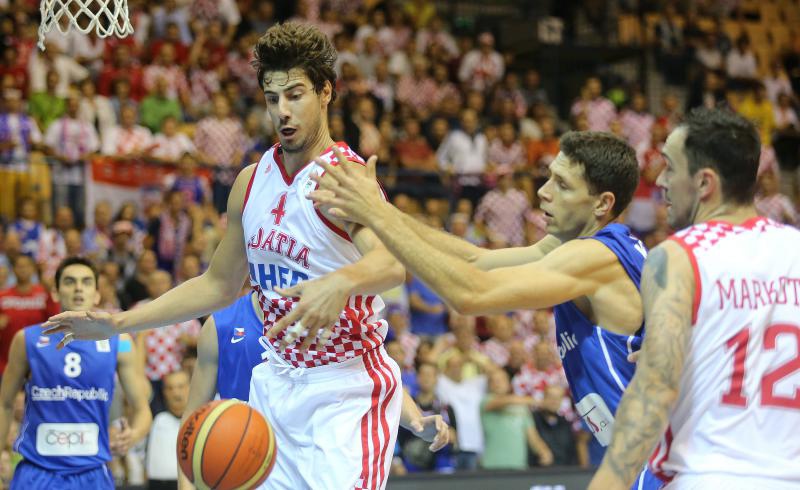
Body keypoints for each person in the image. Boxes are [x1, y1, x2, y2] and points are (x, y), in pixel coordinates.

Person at [45, 22, 420, 490]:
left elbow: (391, 267)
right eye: (271, 97)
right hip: (275, 383)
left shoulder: (346, 179)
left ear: (326, 92)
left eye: (296, 94)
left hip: (344, 390)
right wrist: (119, 322)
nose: (282, 111)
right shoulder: (250, 181)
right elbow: (218, 285)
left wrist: (336, 284)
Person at [310, 131, 662, 488]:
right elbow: (476, 259)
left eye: (562, 184)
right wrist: (381, 211)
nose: (543, 191)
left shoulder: (594, 257)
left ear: (602, 204)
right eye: (549, 177)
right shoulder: (577, 245)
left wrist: (374, 214)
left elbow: (469, 294)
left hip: (655, 459)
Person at [589, 109, 800, 489]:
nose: (661, 181)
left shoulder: (677, 256)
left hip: (709, 475)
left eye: (670, 168)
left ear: (704, 183)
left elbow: (654, 390)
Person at [178, 290, 450, 489]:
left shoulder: (323, 317)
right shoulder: (221, 325)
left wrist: (415, 419)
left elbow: (364, 374)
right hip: (241, 460)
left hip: (312, 456)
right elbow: (192, 422)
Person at [0, 257, 152, 489]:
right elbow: (4, 403)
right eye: (70, 282)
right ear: (56, 292)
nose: (79, 288)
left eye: (86, 282)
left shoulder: (119, 342)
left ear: (97, 294)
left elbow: (142, 410)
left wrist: (132, 435)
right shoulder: (27, 339)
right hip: (36, 471)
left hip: (93, 473)